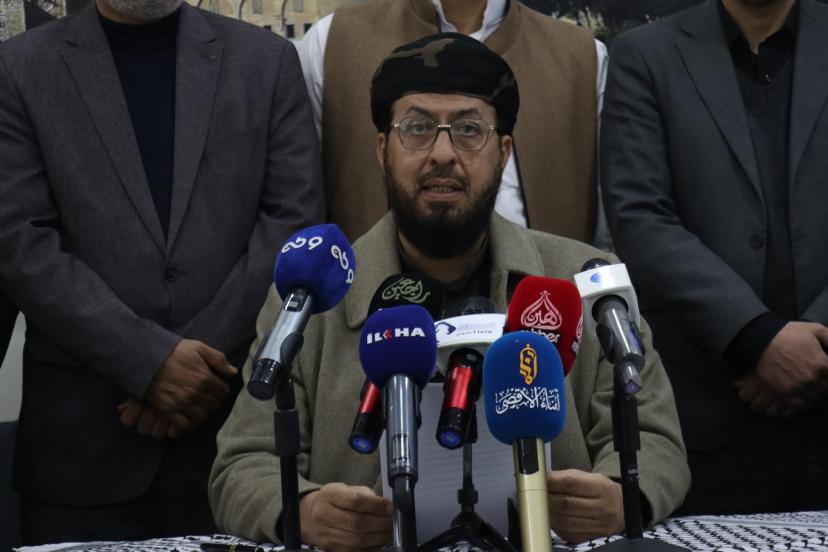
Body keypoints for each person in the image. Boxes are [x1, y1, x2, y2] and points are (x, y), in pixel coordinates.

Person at [210, 34, 690, 549]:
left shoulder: (581, 280)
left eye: (468, 130)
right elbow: (242, 462)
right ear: (382, 150)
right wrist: (302, 511)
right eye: (417, 128)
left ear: (503, 152)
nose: (443, 154)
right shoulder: (312, 300)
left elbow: (654, 437)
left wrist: (620, 494)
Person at [0, 0, 324, 543]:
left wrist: (195, 369)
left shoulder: (266, 61)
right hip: (83, 454)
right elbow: (20, 244)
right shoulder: (19, 68)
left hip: (237, 449)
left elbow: (294, 226)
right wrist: (149, 363)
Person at [601, 0, 828, 515]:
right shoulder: (646, 55)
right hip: (708, 413)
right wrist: (755, 337)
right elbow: (640, 217)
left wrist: (812, 348)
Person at [297, 0, 611, 249]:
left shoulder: (582, 57)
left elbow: (605, 244)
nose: (443, 154)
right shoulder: (333, 43)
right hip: (369, 306)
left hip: (543, 305)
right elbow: (301, 216)